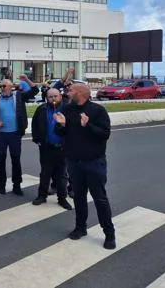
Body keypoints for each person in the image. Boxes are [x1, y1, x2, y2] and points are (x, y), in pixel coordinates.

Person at [53, 83, 116, 250]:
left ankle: (109, 233)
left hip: (94, 162)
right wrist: (60, 125)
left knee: (100, 198)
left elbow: (105, 134)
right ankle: (80, 227)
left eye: (71, 90)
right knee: (79, 197)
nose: (68, 93)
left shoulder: (97, 111)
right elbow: (61, 134)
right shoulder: (67, 110)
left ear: (80, 93)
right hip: (74, 162)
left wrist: (87, 126)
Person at [0, 78, 38, 195]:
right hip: (0, 135)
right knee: (0, 161)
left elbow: (35, 90)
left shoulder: (19, 96)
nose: (2, 88)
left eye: (5, 86)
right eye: (1, 86)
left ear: (11, 87)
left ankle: (17, 185)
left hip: (15, 134)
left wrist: (26, 79)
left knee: (16, 160)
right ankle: (1, 185)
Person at [31, 88, 73, 210]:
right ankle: (42, 196)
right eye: (50, 97)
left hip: (62, 148)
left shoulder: (67, 109)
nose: (53, 99)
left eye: (56, 96)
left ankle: (62, 198)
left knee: (62, 175)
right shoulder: (42, 109)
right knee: (45, 173)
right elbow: (35, 125)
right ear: (46, 98)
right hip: (46, 147)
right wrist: (37, 139)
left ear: (60, 97)